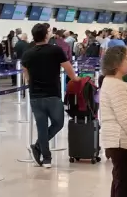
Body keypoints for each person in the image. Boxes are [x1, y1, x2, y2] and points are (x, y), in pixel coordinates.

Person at [22, 23, 78, 169]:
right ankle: (41, 151)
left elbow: (25, 74)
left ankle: (44, 155)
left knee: (41, 127)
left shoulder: (28, 53)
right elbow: (69, 70)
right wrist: (77, 81)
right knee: (58, 123)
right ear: (46, 35)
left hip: (35, 95)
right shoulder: (56, 50)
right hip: (52, 93)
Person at [100, 45, 127, 197]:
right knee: (123, 184)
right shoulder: (115, 85)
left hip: (118, 141)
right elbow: (122, 115)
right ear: (116, 64)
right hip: (120, 141)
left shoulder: (111, 82)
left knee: (119, 181)